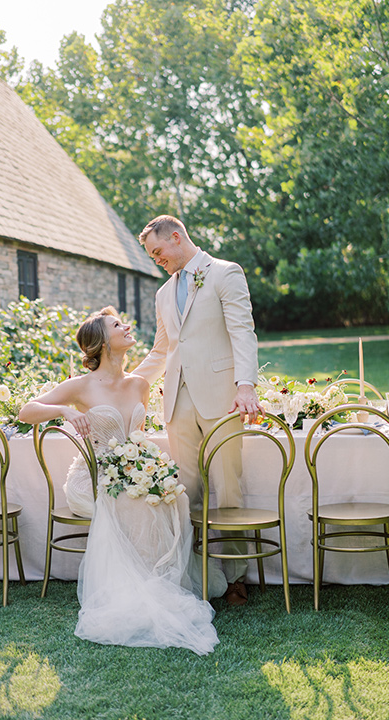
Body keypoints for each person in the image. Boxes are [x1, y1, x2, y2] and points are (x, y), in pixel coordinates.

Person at [19, 306, 225, 655]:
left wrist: (148, 471)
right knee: (131, 499)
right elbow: (26, 411)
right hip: (94, 477)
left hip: (134, 471)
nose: (127, 326)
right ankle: (137, 591)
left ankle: (159, 583)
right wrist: (66, 410)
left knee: (172, 495)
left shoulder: (140, 385)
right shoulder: (80, 386)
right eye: (117, 325)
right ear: (101, 342)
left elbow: (138, 437)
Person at [133, 215, 262, 607]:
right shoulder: (162, 294)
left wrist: (246, 386)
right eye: (151, 255)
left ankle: (237, 577)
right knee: (185, 492)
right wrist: (124, 384)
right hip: (177, 401)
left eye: (158, 251)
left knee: (227, 486)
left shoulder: (225, 273)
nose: (156, 259)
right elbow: (161, 350)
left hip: (223, 399)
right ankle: (196, 575)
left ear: (176, 237)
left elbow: (242, 330)